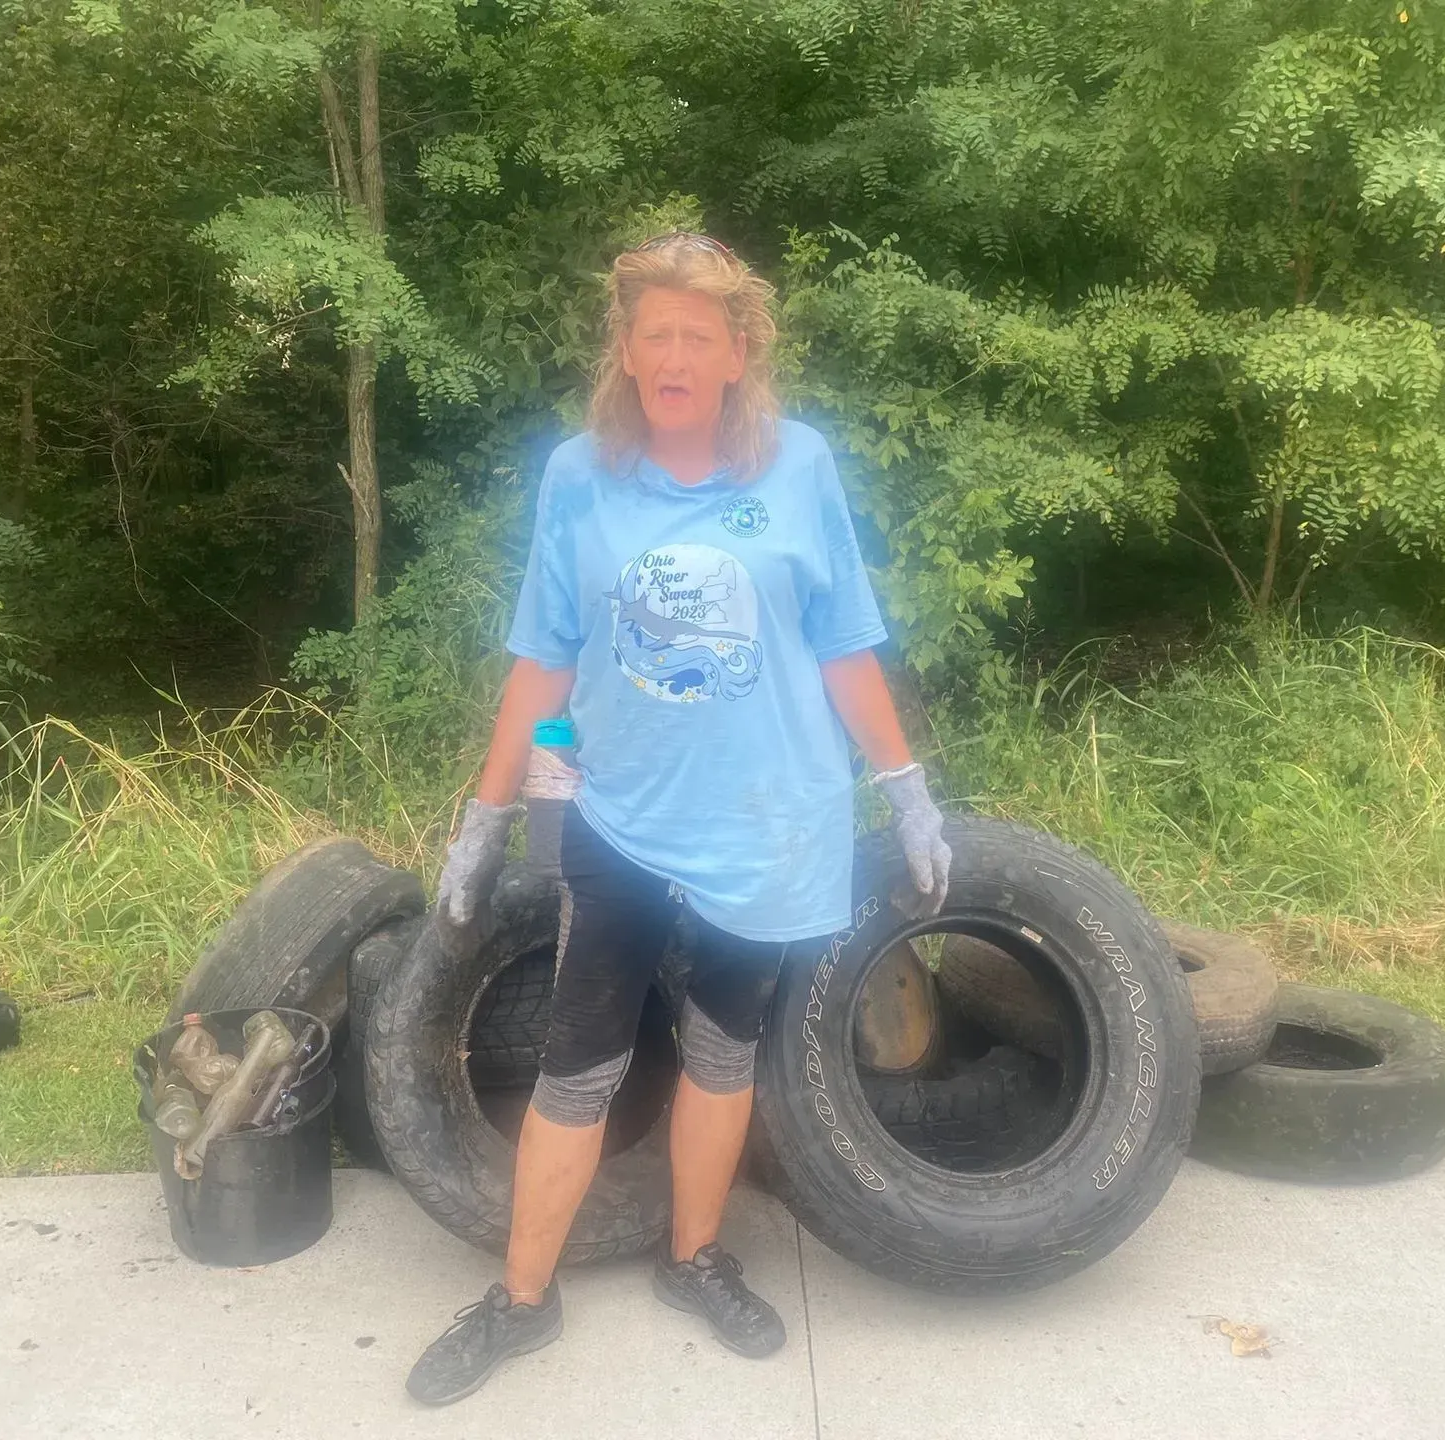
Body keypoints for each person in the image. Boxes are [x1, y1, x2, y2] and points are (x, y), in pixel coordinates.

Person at [405, 231, 952, 1406]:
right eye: (653, 331)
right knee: (576, 1066)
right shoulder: (577, 476)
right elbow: (540, 657)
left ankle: (695, 1259)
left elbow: (847, 640)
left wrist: (906, 790)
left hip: (769, 825)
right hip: (620, 818)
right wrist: (482, 816)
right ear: (626, 348)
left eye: (696, 334)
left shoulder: (799, 468)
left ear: (738, 350)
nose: (672, 354)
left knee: (721, 1050)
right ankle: (520, 1301)